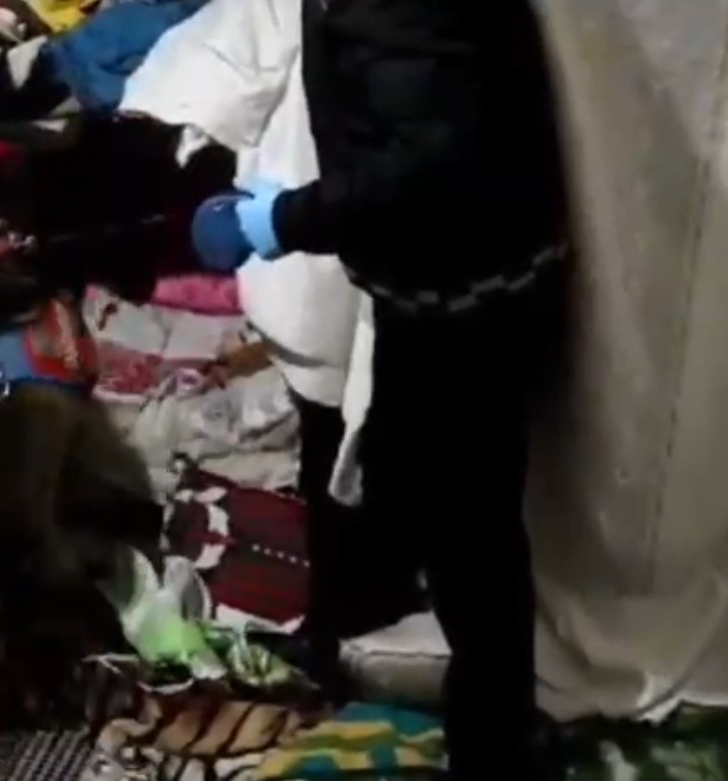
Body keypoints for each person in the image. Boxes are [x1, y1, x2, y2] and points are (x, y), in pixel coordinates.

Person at [190, 1, 568, 779]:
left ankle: (494, 750)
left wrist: (279, 220)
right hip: (438, 282)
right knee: (401, 484)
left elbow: (426, 168)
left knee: (472, 537)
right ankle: (360, 642)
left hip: (469, 298)